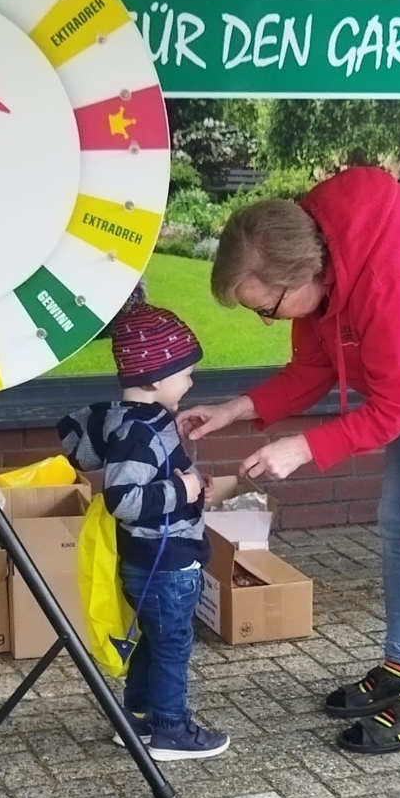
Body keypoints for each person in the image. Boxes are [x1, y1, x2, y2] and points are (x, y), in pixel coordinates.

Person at [179, 168, 400, 755]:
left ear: (303, 275)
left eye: (268, 309)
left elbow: (392, 407)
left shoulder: (392, 276)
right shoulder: (320, 250)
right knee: (395, 522)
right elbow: (313, 367)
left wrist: (304, 448)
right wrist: (234, 409)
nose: (269, 321)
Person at [58, 302, 230, 761]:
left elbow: (159, 476)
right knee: (172, 647)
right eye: (185, 374)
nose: (191, 383)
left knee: (151, 642)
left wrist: (193, 487)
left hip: (154, 558)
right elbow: (125, 499)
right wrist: (182, 489)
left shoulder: (139, 420)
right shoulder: (139, 433)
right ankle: (171, 731)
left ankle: (137, 721)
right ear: (155, 380)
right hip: (165, 563)